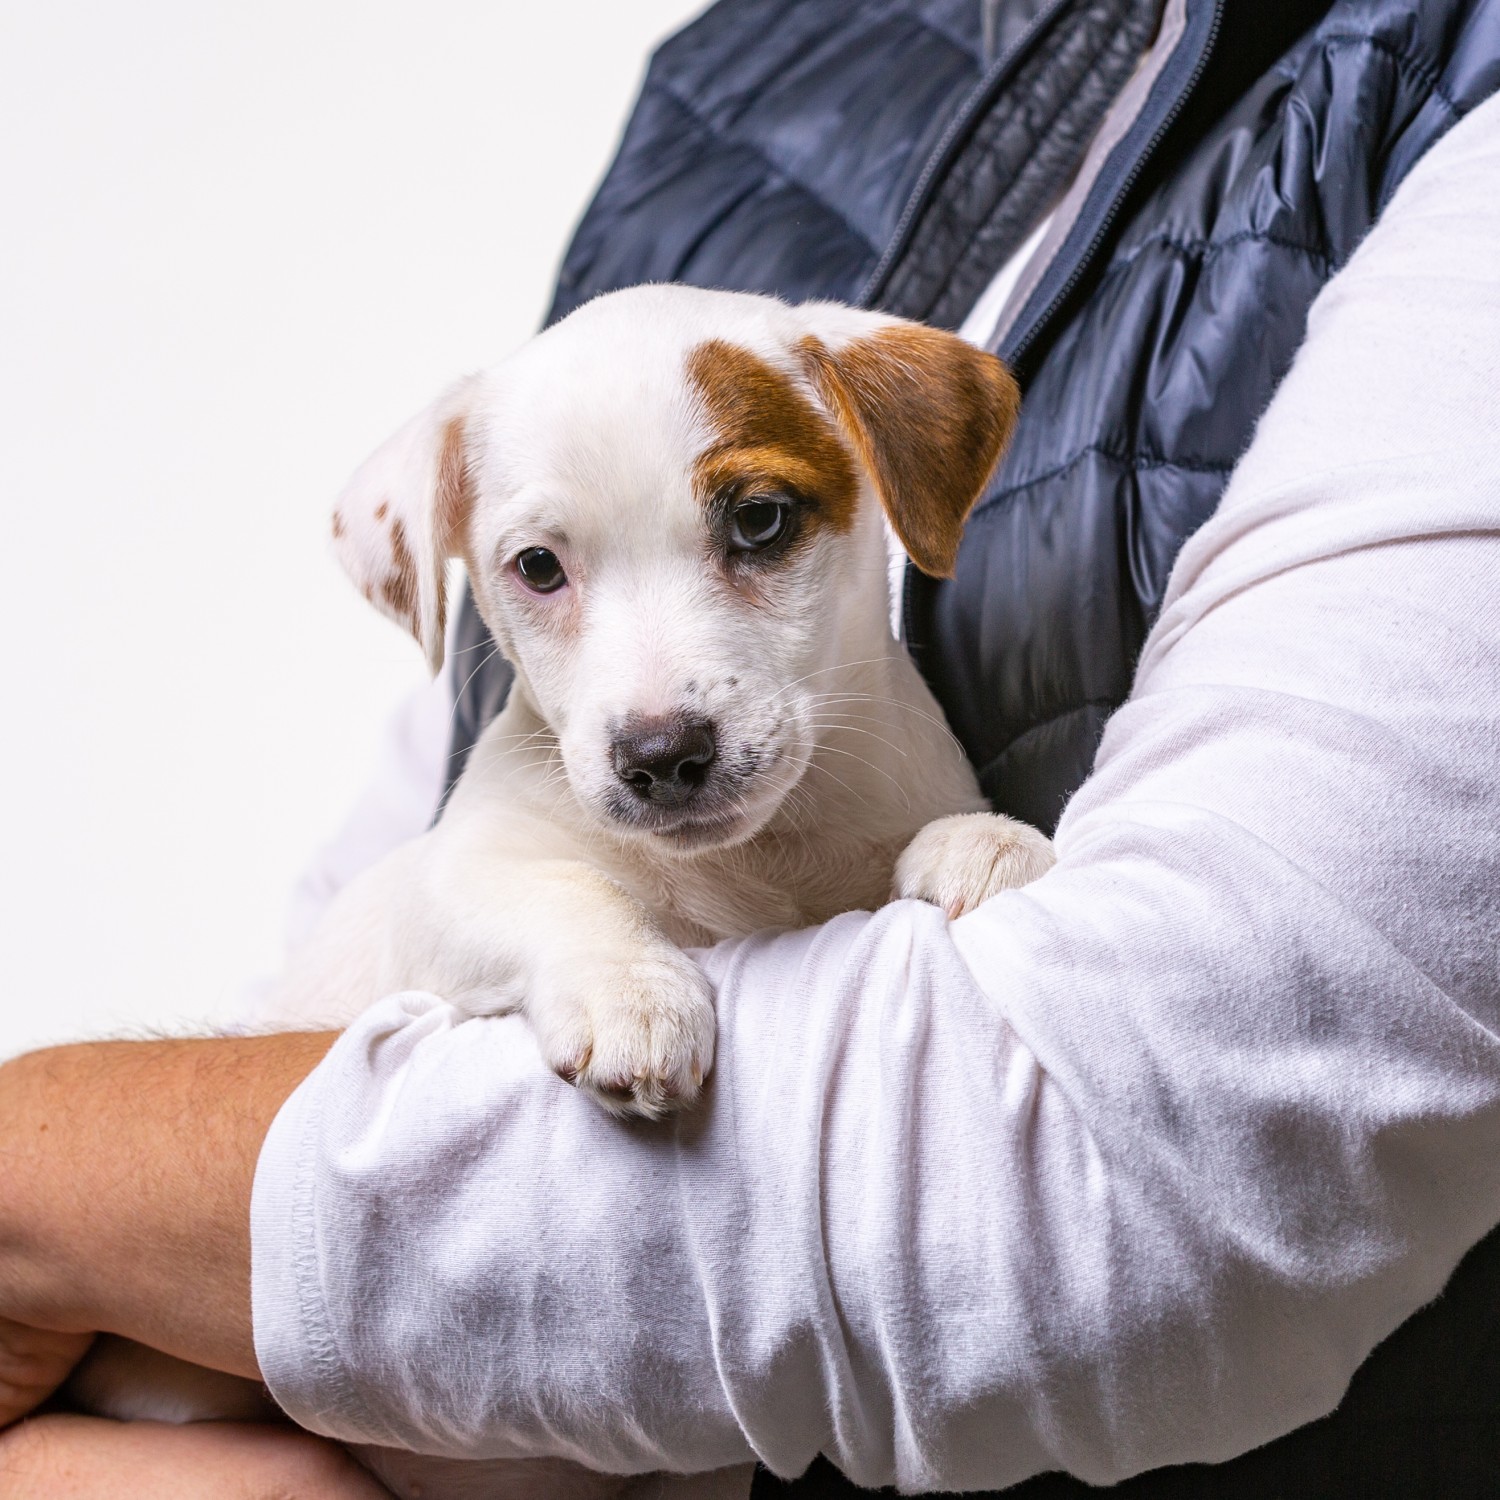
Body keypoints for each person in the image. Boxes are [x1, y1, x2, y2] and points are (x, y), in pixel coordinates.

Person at [3, 0, 1500, 1494]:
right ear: (441, 564)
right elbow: (459, 886)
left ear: (894, 475)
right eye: (542, 575)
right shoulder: (748, 60)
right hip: (223, 1402)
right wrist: (588, 957)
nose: (652, 711)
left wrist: (962, 854)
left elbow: (1104, 1161)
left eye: (759, 524)